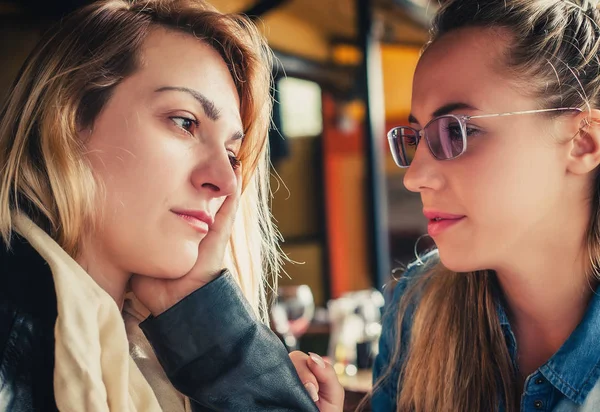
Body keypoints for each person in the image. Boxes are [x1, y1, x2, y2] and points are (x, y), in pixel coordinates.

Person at [0, 0, 343, 410]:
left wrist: (214, 330)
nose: (225, 181)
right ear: (69, 119)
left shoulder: (160, 369)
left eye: (233, 155)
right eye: (185, 122)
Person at [372, 0, 600, 411]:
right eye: (416, 137)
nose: (413, 177)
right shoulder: (418, 308)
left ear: (583, 141)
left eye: (456, 131)